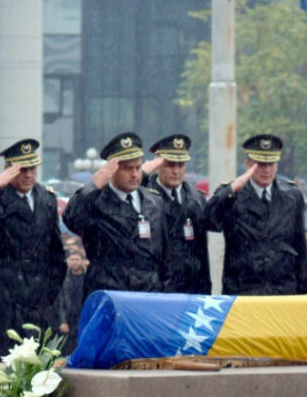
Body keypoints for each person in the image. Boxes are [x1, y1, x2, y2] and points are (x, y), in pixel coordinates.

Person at [0, 138, 66, 363]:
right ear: (8, 171)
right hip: (1, 291)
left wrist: (49, 293)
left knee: (36, 361)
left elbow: (57, 254)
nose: (28, 174)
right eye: (22, 169)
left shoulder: (46, 199)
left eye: (32, 168)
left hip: (36, 293)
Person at [63, 133, 169, 301]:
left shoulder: (154, 202)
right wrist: (93, 186)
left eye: (137, 167)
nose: (135, 174)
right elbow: (71, 219)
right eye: (127, 169)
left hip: (147, 294)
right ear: (112, 170)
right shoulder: (96, 201)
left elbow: (164, 255)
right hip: (108, 292)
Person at [203, 134, 307, 295]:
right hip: (244, 291)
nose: (266, 170)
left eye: (271, 164)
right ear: (248, 165)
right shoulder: (232, 196)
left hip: (283, 291)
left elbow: (300, 246)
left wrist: (304, 292)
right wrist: (231, 190)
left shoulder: (292, 197)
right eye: (260, 164)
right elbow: (208, 220)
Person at [139, 134, 211, 294]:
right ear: (157, 165)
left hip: (190, 290)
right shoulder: (143, 196)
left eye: (181, 165)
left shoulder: (196, 199)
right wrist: (142, 174)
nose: (176, 171)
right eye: (170, 164)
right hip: (156, 290)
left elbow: (201, 251)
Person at [55, 250, 87, 354]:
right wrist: (62, 321)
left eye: (77, 259)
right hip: (69, 319)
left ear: (82, 261)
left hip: (83, 317)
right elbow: (61, 302)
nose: (74, 262)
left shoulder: (88, 279)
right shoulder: (63, 280)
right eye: (72, 260)